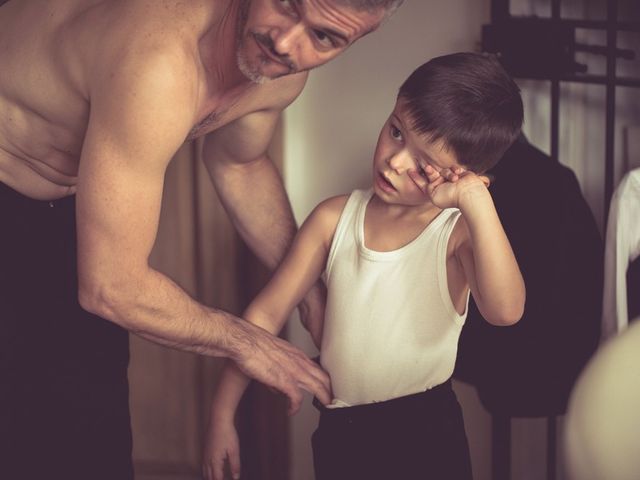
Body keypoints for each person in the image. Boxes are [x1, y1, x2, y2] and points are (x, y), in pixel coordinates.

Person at [0, 0, 404, 478]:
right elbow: (112, 287)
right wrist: (248, 343)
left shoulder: (281, 75)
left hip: (63, 208)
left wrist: (307, 288)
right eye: (287, 6)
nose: (284, 42)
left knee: (89, 437)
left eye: (324, 37)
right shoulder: (160, 62)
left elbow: (239, 164)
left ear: (358, 38)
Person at [204, 52, 526, 480]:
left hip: (426, 433)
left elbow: (506, 312)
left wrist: (476, 204)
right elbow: (264, 315)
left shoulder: (456, 235)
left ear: (461, 175)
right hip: (342, 431)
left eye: (422, 164)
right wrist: (221, 415)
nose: (395, 161)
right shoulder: (333, 219)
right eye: (396, 131)